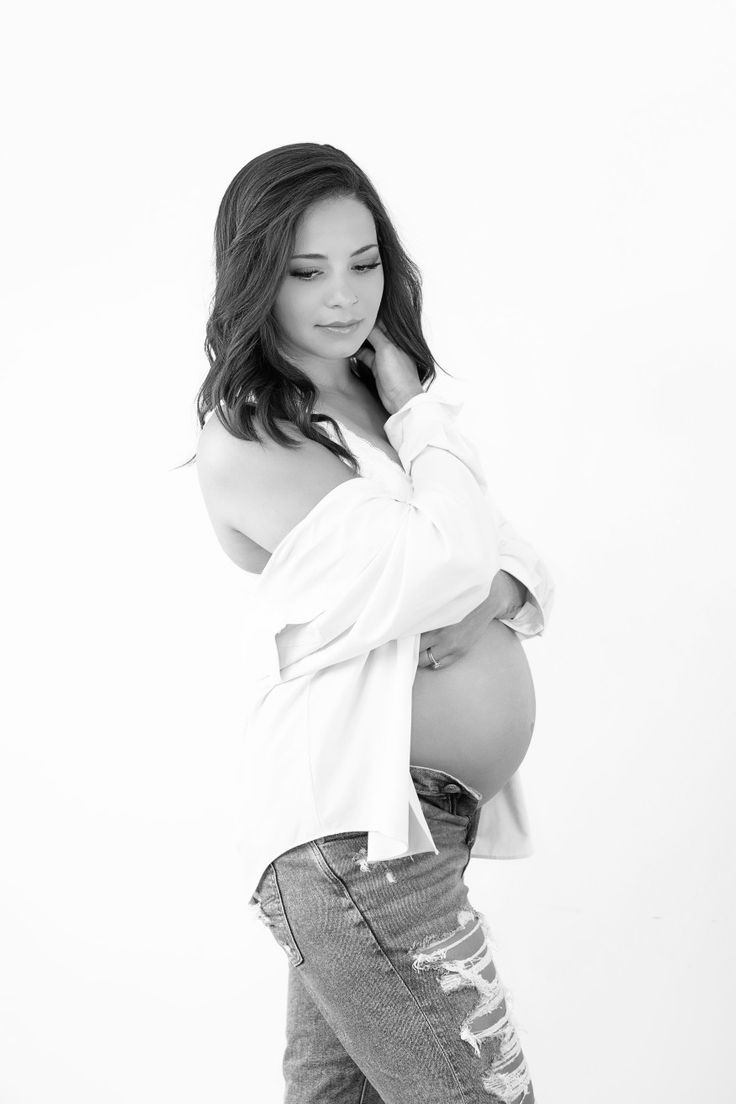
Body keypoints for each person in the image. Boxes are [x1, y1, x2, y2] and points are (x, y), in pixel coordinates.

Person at [190, 142, 554, 1103]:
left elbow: (512, 559)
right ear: (255, 276)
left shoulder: (370, 404)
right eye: (307, 271)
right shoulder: (252, 434)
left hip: (405, 834)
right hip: (356, 838)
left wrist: (496, 598)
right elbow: (451, 558)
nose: (344, 296)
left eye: (364, 263)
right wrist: (425, 420)